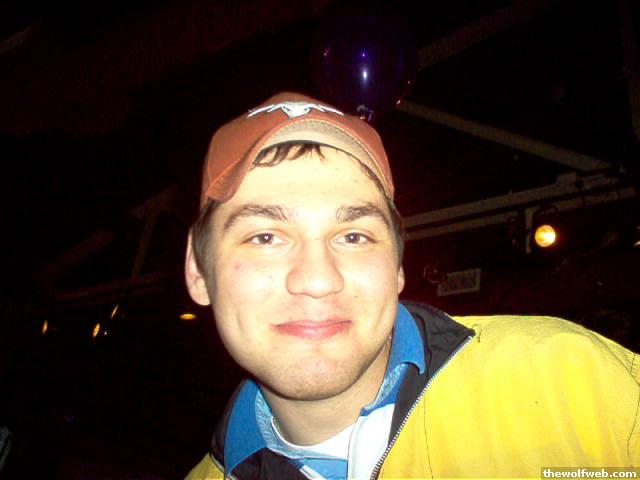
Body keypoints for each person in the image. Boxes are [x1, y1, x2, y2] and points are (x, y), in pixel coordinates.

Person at [184, 92, 640, 480]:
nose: (319, 280)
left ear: (398, 267)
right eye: (265, 237)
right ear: (198, 269)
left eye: (353, 236)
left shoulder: (571, 381)